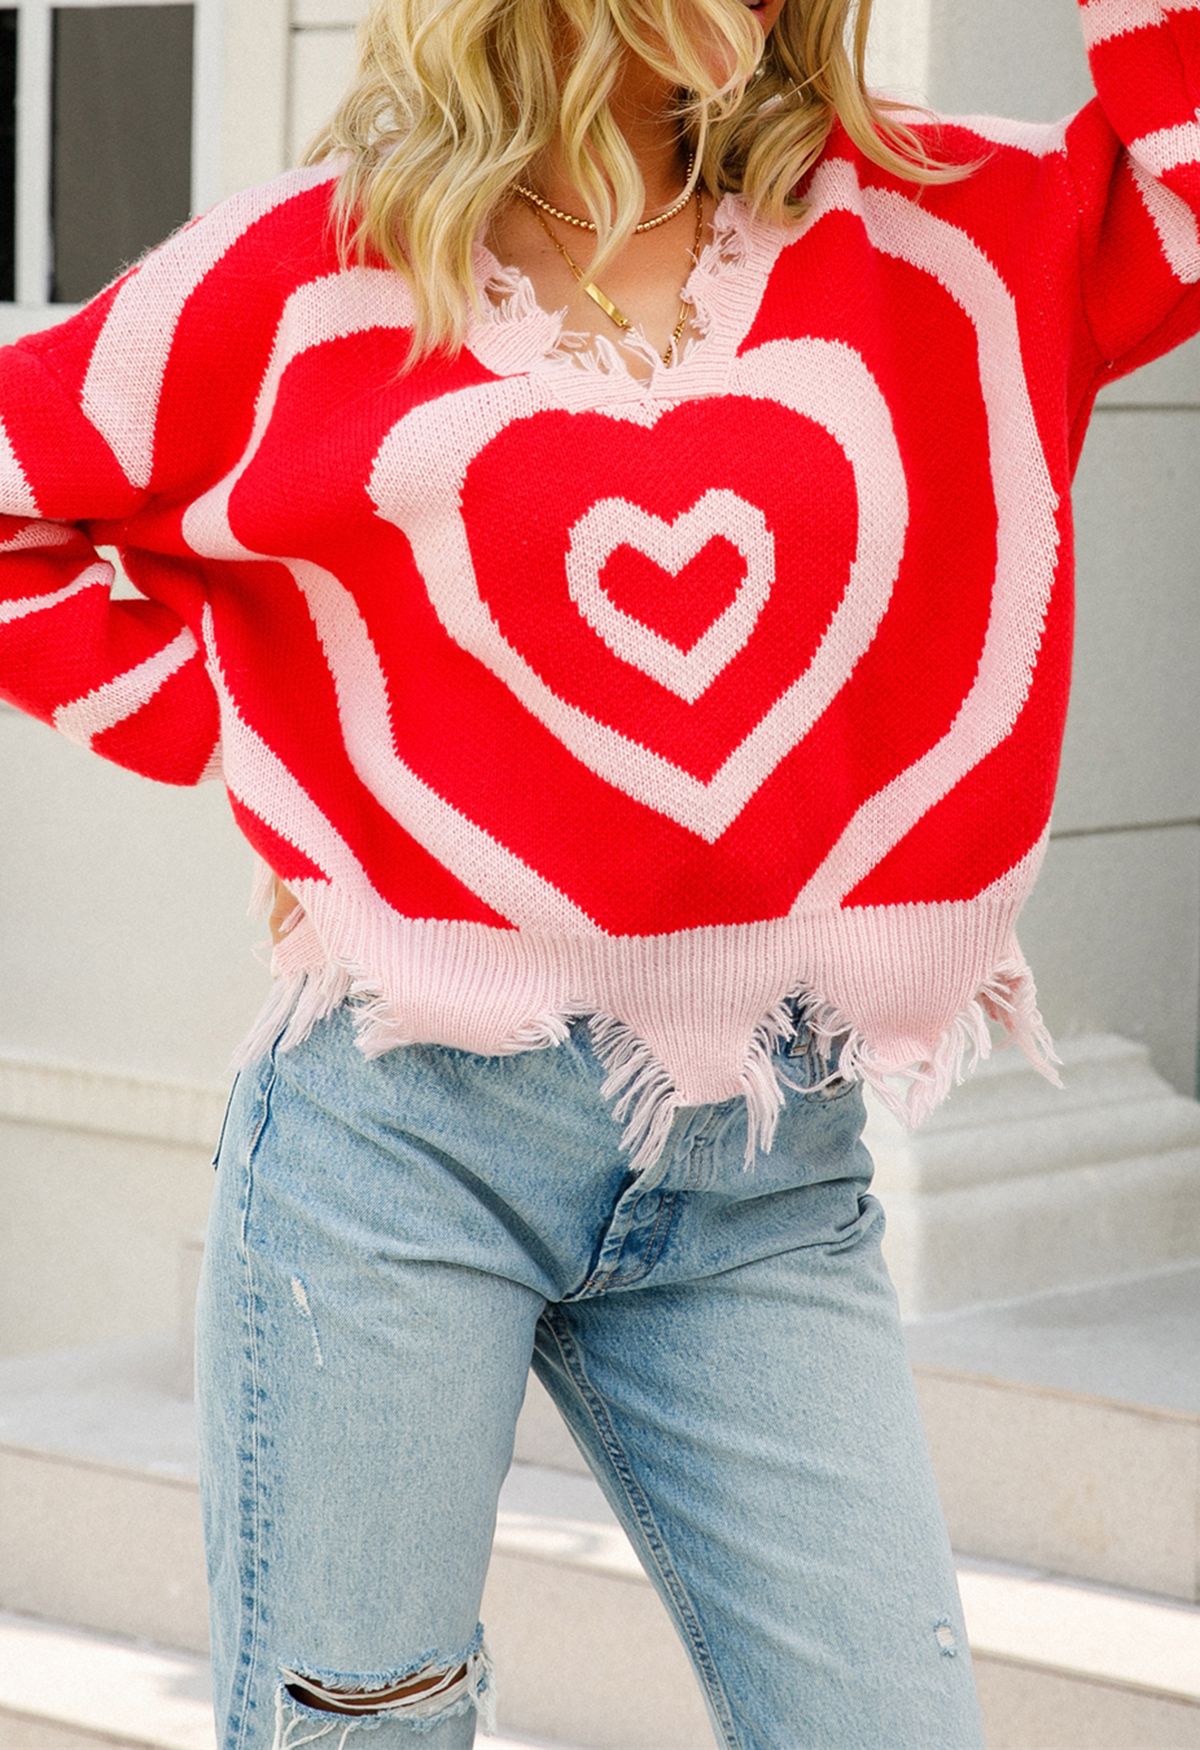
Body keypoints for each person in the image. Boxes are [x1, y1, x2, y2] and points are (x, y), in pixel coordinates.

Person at [2, 0, 1197, 1740]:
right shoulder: (314, 275)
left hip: (765, 1158)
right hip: (396, 1151)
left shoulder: (938, 228)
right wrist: (276, 745)